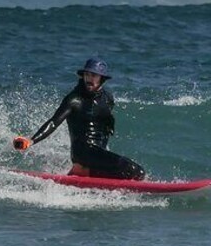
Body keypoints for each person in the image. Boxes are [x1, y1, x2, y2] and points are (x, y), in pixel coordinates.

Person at [12, 57, 146, 180]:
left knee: (134, 173)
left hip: (98, 153)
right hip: (82, 152)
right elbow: (54, 122)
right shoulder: (74, 99)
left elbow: (105, 125)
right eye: (87, 74)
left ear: (102, 79)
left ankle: (85, 171)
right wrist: (31, 140)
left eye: (93, 75)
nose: (89, 78)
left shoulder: (107, 98)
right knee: (134, 170)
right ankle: (83, 169)